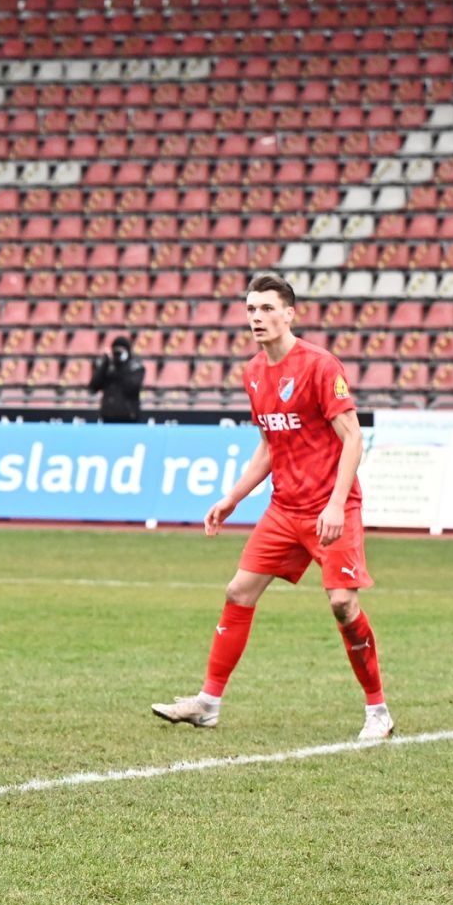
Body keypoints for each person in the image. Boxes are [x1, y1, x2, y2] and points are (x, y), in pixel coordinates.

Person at [152, 274, 391, 740]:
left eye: (266, 309)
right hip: (285, 508)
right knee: (238, 591)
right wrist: (231, 498)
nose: (256, 318)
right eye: (250, 310)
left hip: (330, 507)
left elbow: (353, 438)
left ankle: (378, 710)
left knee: (343, 604)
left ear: (289, 313)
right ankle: (208, 703)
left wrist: (338, 504)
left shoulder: (321, 366)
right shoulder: (253, 373)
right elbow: (268, 446)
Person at [89, 336, 145, 423]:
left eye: (120, 352)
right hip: (108, 416)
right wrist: (105, 364)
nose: (117, 355)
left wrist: (122, 366)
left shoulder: (135, 367)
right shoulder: (108, 367)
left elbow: (132, 387)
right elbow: (93, 387)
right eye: (115, 351)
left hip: (129, 417)